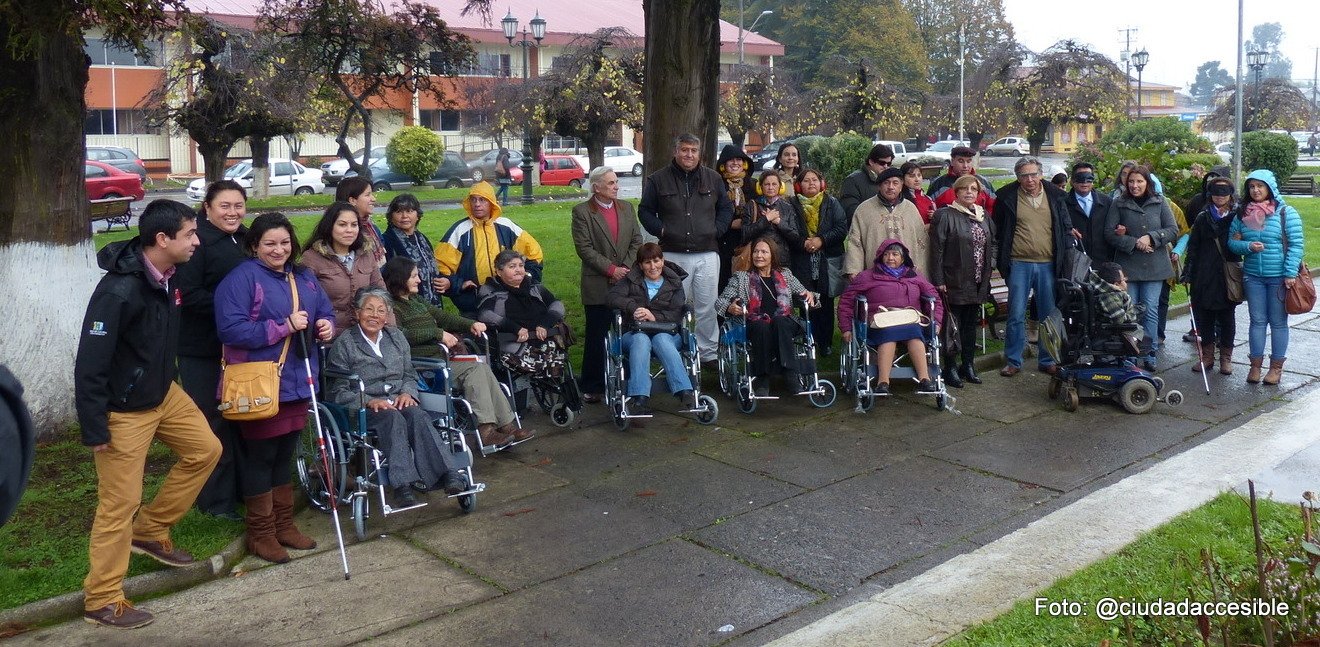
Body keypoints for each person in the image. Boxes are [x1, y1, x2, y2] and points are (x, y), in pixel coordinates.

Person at [75, 199, 221, 629]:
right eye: (190, 234)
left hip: (163, 393)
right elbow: (90, 362)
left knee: (206, 450)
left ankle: (151, 530)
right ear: (163, 239)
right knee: (118, 504)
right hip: (123, 410)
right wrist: (95, 424)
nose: (197, 241)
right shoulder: (118, 291)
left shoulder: (170, 277)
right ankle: (101, 599)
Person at [215, 213, 334, 565]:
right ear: (254, 245)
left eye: (284, 243)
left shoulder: (306, 278)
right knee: (261, 457)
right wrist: (282, 326)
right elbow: (231, 330)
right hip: (260, 383)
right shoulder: (241, 279)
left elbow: (324, 311)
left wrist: (326, 326)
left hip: (299, 379)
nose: (278, 249)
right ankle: (260, 533)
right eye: (269, 243)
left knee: (285, 454)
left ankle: (284, 525)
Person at [327, 288, 471, 509]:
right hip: (367, 409)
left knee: (417, 415)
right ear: (357, 313)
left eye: (381, 311)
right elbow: (338, 390)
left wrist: (407, 392)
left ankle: (449, 474)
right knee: (392, 420)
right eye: (369, 309)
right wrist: (367, 400)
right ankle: (402, 485)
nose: (374, 315)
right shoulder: (345, 343)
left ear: (387, 315)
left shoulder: (396, 336)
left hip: (398, 399)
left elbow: (408, 374)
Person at [383, 257, 528, 446]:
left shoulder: (416, 300)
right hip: (423, 366)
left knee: (481, 366)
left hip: (440, 360)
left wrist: (472, 324)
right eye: (414, 276)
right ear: (400, 279)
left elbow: (443, 316)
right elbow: (400, 335)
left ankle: (506, 425)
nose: (419, 280)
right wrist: (438, 334)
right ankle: (486, 430)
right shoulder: (392, 308)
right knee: (475, 370)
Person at [174, 180, 248, 521]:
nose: (232, 212)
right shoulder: (198, 243)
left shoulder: (245, 238)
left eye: (238, 205)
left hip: (239, 348)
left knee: (241, 417)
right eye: (225, 206)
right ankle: (215, 504)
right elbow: (187, 294)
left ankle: (244, 492)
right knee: (212, 423)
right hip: (202, 349)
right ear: (207, 208)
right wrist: (234, 309)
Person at [638, 133, 734, 363]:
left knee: (707, 306)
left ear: (699, 153)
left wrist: (716, 230)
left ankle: (708, 354)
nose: (689, 154)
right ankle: (675, 351)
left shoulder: (713, 179)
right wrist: (662, 230)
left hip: (707, 253)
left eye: (693, 150)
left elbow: (726, 209)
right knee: (673, 306)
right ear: (675, 151)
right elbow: (645, 211)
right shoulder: (658, 180)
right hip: (672, 253)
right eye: (684, 150)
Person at [991, 156, 1078, 377]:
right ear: (1017, 177)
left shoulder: (1056, 196)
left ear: (1041, 174)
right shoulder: (1007, 197)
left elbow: (1066, 228)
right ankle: (1013, 360)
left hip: (1048, 263)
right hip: (1019, 263)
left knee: (1048, 315)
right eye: (1024, 175)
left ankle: (1047, 359)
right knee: (1016, 314)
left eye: (1033, 174)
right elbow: (998, 230)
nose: (1029, 179)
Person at [572, 166, 642, 404]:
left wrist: (625, 269)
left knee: (629, 332)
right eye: (611, 183)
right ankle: (593, 385)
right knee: (597, 335)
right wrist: (611, 270)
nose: (616, 186)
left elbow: (636, 240)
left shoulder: (626, 208)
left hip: (626, 282)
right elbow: (584, 248)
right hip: (598, 284)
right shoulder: (582, 212)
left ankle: (628, 380)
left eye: (615, 182)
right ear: (596, 187)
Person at [1228, 169, 1305, 385]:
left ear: (1270, 187)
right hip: (1253, 276)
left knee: (1278, 322)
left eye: (1260, 186)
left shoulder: (1285, 213)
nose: (1255, 190)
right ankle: (1255, 366)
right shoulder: (1242, 214)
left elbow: (1296, 245)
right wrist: (1248, 246)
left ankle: (1276, 368)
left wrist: (1290, 273)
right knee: (1257, 321)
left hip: (1279, 278)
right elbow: (1232, 243)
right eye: (1251, 186)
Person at [837, 240, 942, 395]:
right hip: (880, 322)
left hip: (910, 319)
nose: (890, 258)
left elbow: (935, 299)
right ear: (880, 257)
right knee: (889, 334)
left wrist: (937, 321)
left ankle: (925, 380)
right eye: (886, 254)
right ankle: (883, 382)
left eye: (895, 254)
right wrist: (846, 327)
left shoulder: (914, 276)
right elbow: (846, 301)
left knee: (915, 335)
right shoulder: (867, 276)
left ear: (903, 257)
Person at [716, 238, 817, 396]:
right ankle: (762, 379)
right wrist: (729, 307)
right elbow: (720, 301)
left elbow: (805, 293)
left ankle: (790, 374)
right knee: (761, 325)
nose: (759, 255)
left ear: (773, 255)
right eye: (756, 251)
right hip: (755, 323)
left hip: (784, 322)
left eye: (764, 252)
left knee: (780, 321)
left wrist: (810, 295)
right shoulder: (741, 277)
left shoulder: (786, 275)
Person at [1103, 165, 1179, 371]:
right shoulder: (1119, 203)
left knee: (1151, 310)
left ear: (1148, 183)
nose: (1135, 185)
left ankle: (1150, 351)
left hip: (1155, 266)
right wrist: (1134, 242)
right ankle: (1130, 353)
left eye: (1140, 181)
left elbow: (1173, 230)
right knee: (1130, 312)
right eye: (1131, 182)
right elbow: (1109, 233)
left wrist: (1152, 238)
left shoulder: (1160, 202)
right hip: (1128, 267)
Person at [606, 242, 694, 414]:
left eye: (656, 261)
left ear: (663, 260)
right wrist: (633, 307)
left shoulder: (674, 281)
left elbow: (677, 313)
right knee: (641, 340)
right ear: (640, 265)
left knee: (661, 340)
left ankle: (684, 391)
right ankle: (639, 396)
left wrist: (655, 317)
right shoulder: (630, 280)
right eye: (647, 262)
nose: (653, 266)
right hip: (634, 332)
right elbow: (612, 298)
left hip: (667, 332)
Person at [435, 181, 545, 316]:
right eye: (473, 200)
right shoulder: (459, 231)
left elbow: (534, 254)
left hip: (509, 299)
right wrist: (457, 284)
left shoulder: (507, 226)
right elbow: (440, 266)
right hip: (473, 304)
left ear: (492, 202)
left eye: (482, 200)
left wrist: (527, 276)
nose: (477, 204)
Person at [929, 175, 996, 388]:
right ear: (956, 192)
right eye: (964, 189)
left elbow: (993, 242)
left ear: (978, 193)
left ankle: (967, 365)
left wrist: (991, 263)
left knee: (970, 325)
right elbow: (936, 250)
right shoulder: (945, 215)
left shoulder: (983, 216)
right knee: (951, 326)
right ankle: (949, 367)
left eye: (974, 189)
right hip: (953, 280)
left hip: (977, 280)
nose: (969, 192)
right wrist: (939, 279)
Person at [1181, 176, 1242, 375]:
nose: (1219, 197)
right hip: (1204, 274)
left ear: (1231, 195)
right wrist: (1188, 273)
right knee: (1204, 316)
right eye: (1215, 193)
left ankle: (1226, 357)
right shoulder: (1202, 217)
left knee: (1227, 317)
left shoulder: (1237, 216)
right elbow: (1194, 247)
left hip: (1226, 275)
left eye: (1224, 193)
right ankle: (1207, 356)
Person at [301, 201, 387, 335]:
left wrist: (391, 330)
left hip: (366, 335)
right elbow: (307, 303)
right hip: (331, 338)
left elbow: (382, 294)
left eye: (354, 225)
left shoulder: (366, 254)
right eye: (342, 225)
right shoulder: (312, 259)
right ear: (330, 226)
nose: (349, 230)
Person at [794, 168, 849, 356]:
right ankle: (808, 339)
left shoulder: (832, 203)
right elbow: (788, 229)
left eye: (814, 180)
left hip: (827, 260)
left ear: (821, 183)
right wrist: (804, 242)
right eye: (806, 181)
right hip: (802, 260)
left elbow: (842, 228)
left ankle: (825, 343)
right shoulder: (792, 204)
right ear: (798, 185)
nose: (811, 184)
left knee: (825, 301)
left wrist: (821, 240)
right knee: (805, 302)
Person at [477, 249, 567, 358]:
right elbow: (485, 315)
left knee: (554, 352)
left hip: (545, 337)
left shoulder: (534, 286)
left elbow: (557, 305)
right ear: (499, 272)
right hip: (513, 342)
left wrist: (545, 324)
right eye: (512, 266)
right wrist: (515, 328)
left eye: (521, 266)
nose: (518, 270)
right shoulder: (491, 289)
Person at [844, 166, 930, 280]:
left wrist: (922, 274)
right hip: (874, 277)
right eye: (886, 183)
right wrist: (854, 270)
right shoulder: (864, 210)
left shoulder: (911, 209)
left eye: (895, 183)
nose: (891, 187)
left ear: (901, 185)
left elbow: (922, 243)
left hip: (908, 277)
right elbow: (855, 243)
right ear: (879, 186)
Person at [380, 193, 443, 307]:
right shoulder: (387, 241)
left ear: (417, 215)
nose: (404, 216)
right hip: (406, 305)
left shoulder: (422, 239)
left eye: (409, 211)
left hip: (433, 303)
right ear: (391, 216)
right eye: (399, 212)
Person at [715, 144, 756, 290]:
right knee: (724, 283)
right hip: (723, 240)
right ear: (723, 164)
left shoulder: (752, 185)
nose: (735, 163)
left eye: (738, 159)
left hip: (746, 240)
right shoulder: (717, 185)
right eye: (730, 160)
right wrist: (729, 223)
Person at [743, 171, 803, 264]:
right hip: (757, 258)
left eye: (774, 184)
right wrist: (766, 219)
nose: (771, 187)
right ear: (760, 186)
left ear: (780, 186)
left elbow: (795, 237)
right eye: (767, 184)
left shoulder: (787, 207)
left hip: (781, 259)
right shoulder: (751, 206)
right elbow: (745, 234)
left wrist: (779, 222)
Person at [1064, 162, 1113, 263]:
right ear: (1072, 181)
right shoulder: (1062, 204)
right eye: (1080, 178)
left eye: (1089, 178)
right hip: (1074, 262)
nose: (1084, 182)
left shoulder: (1107, 202)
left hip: (1102, 261)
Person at [926, 145, 996, 212]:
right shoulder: (939, 185)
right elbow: (929, 210)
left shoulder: (983, 183)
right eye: (961, 161)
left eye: (969, 161)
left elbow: (994, 208)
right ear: (952, 162)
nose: (965, 166)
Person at [335, 177, 385, 267]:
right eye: (368, 195)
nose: (373, 199)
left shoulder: (371, 228)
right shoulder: (346, 235)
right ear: (352, 200)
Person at [839, 143, 894, 219]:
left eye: (889, 163)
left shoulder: (888, 180)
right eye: (882, 163)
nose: (886, 166)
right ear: (871, 162)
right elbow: (851, 211)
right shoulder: (852, 180)